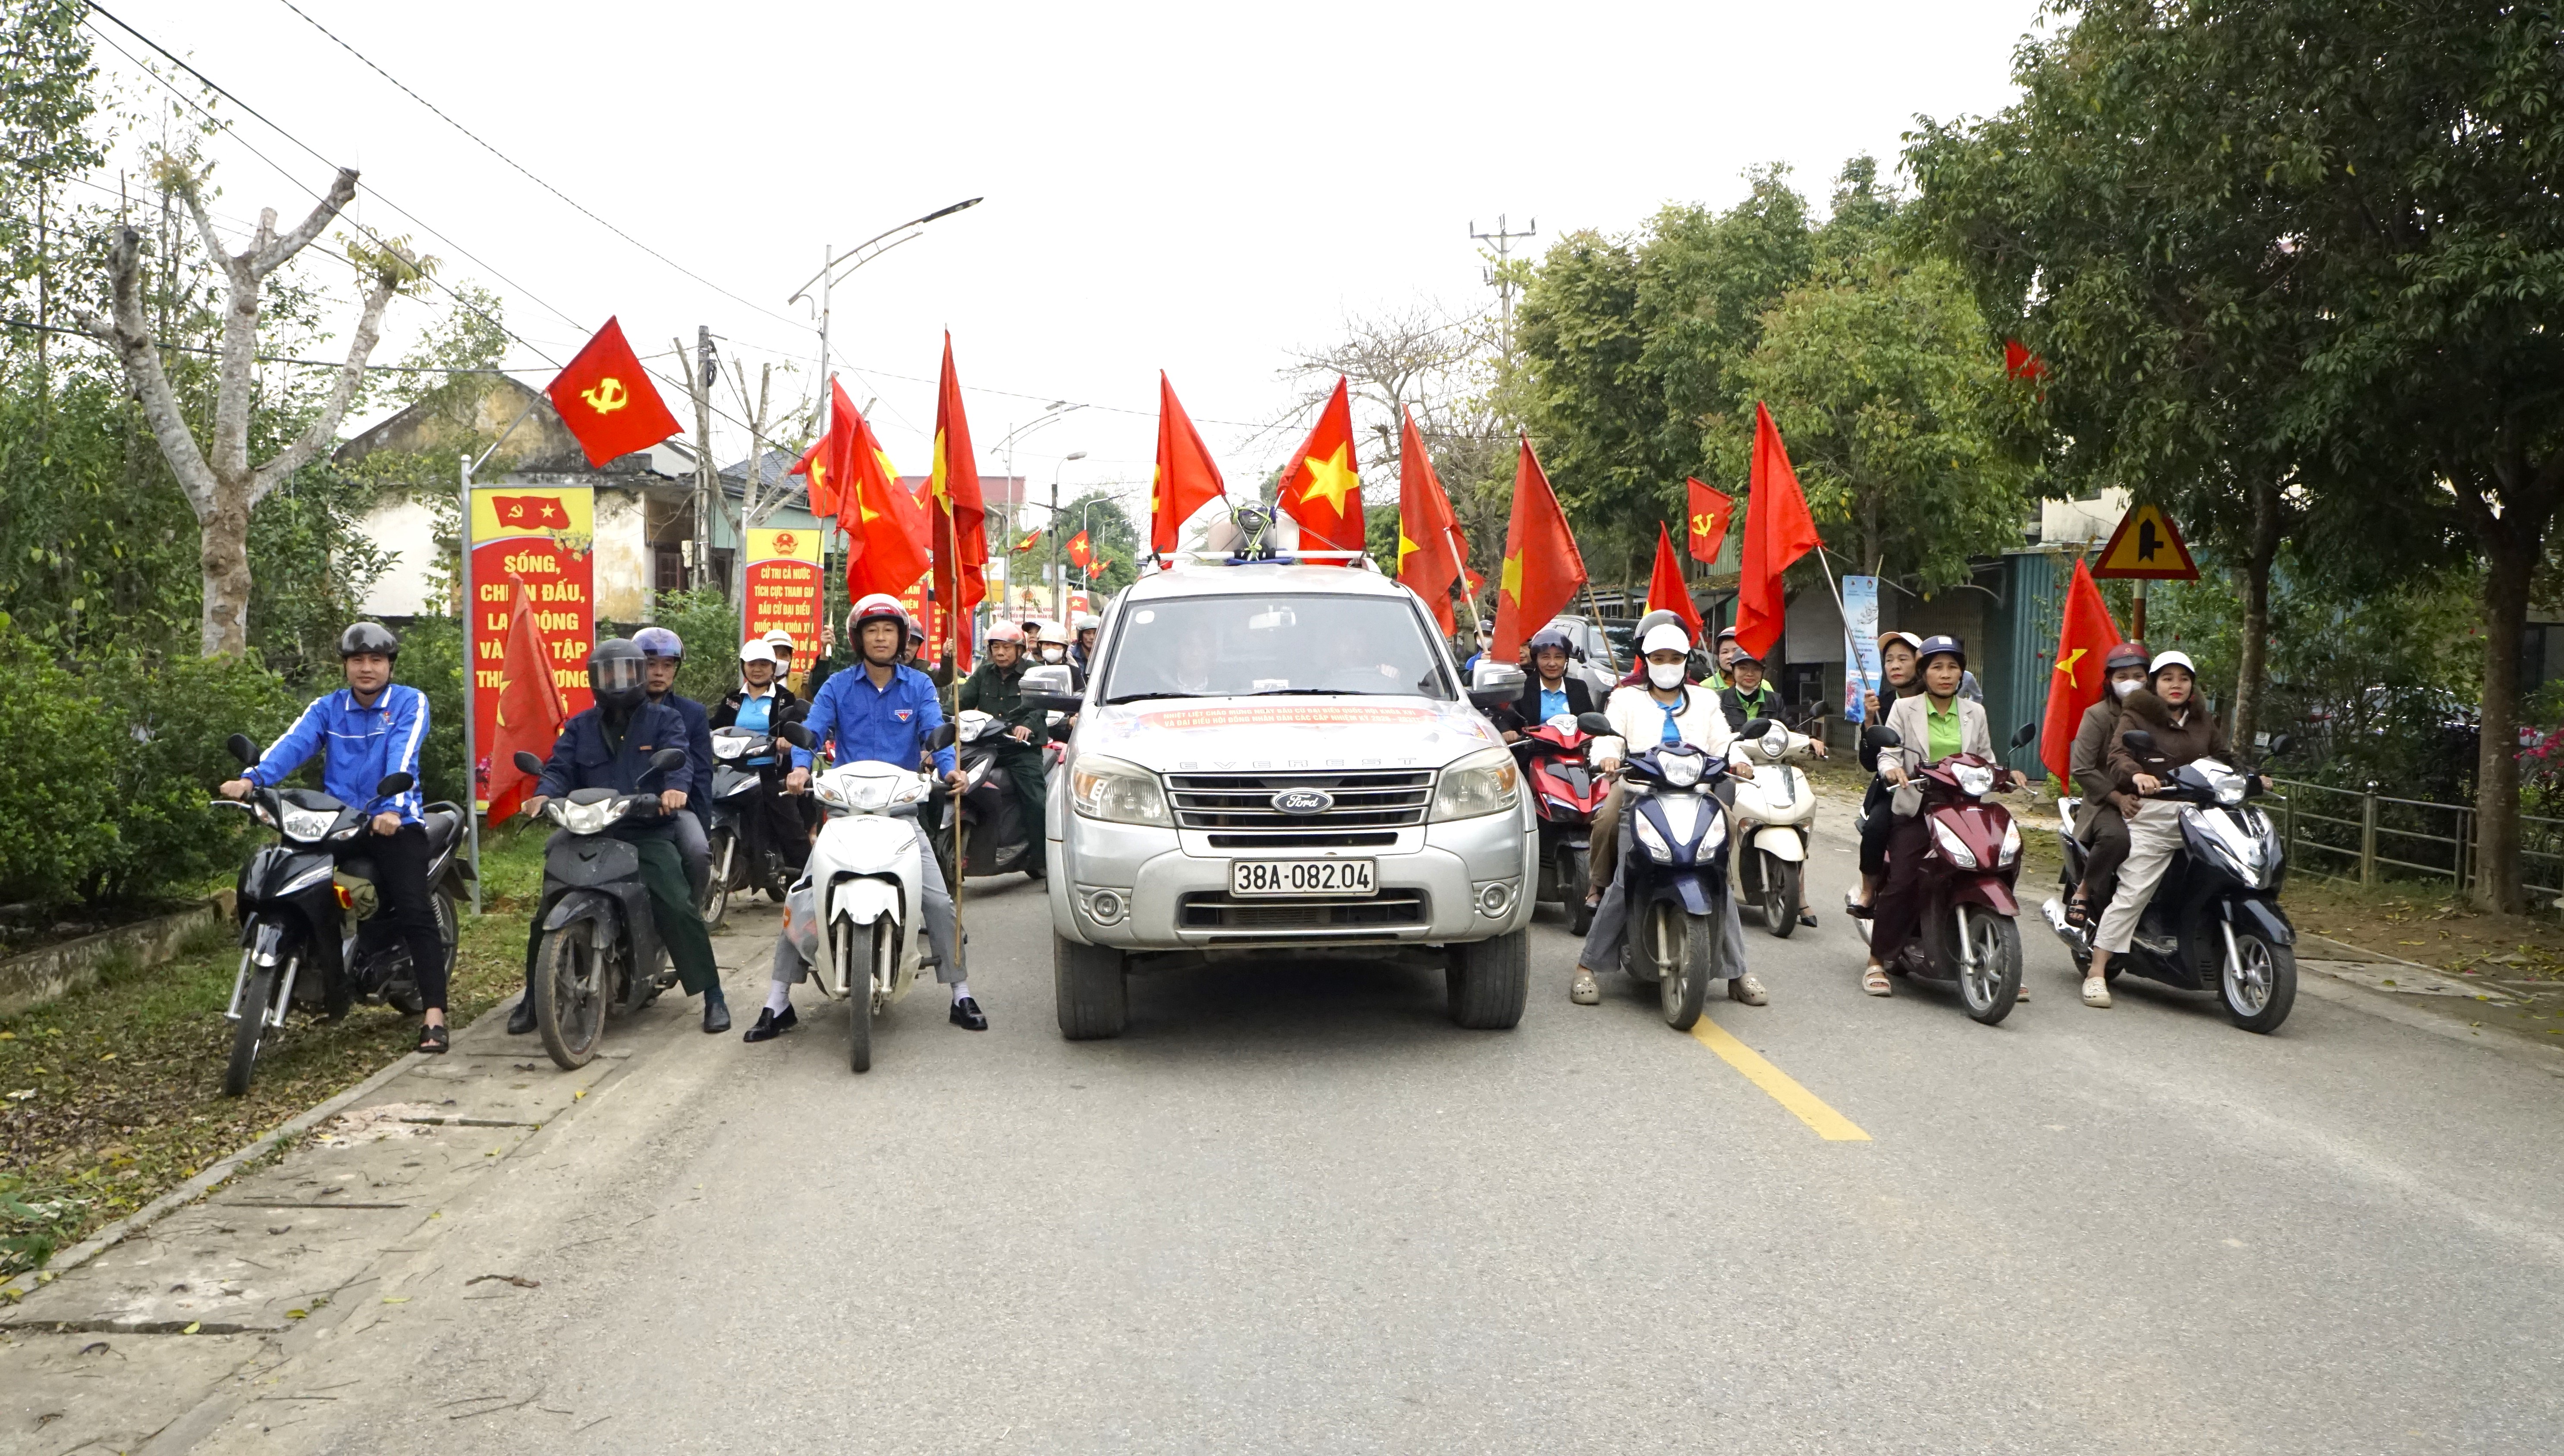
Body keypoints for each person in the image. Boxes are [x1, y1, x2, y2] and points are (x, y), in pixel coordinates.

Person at [756, 593, 985, 1037]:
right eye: (871, 631)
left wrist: (950, 769)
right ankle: (777, 1000)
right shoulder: (837, 685)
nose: (880, 638)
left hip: (901, 814)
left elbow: (934, 735)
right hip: (844, 814)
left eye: (889, 630)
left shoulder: (918, 686)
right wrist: (801, 769)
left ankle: (960, 992)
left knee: (939, 901)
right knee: (800, 898)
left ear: (901, 638)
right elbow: (812, 731)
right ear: (857, 639)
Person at [221, 624, 452, 1053]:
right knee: (293, 879)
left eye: (376, 660)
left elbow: (404, 754)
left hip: (394, 821)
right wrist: (251, 781)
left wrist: (390, 807)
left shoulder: (408, 702)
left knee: (416, 909)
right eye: (357, 660)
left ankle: (435, 1015)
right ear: (345, 665)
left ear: (389, 665)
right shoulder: (328, 708)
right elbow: (292, 745)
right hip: (337, 821)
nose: (367, 668)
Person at [515, 638, 730, 1034]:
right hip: (586, 832)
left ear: (638, 674)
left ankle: (712, 994)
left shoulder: (665, 721)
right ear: (595, 679)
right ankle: (534, 997)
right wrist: (543, 793)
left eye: (626, 672)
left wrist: (674, 789)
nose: (617, 681)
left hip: (643, 831)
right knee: (546, 906)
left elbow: (678, 759)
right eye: (607, 674)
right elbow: (559, 766)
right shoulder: (579, 726)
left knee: (676, 903)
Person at [1569, 621, 1765, 1008]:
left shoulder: (1705, 701)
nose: (1667, 665)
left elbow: (1725, 742)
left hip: (1696, 798)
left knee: (1718, 879)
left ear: (1686, 661)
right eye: (1659, 658)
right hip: (1641, 795)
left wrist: (1740, 761)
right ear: (1646, 661)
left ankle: (1738, 970)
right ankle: (1587, 966)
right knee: (1625, 877)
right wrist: (1607, 756)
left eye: (1675, 658)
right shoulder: (1626, 699)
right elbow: (1609, 736)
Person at [2085, 650, 2266, 1009]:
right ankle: (2096, 971)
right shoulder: (2137, 714)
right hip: (2156, 816)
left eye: (2183, 678)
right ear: (2155, 684)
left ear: (2192, 685)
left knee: (2234, 872)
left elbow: (2223, 755)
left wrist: (2252, 776)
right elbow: (2118, 755)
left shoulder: (2201, 717)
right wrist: (2136, 774)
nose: (2176, 685)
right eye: (2167, 678)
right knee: (2135, 889)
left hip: (2203, 814)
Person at [1858, 636, 2026, 998]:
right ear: (1924, 672)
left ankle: (2000, 955)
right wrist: (1891, 770)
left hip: (1966, 805)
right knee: (1904, 879)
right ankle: (1877, 960)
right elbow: (1888, 753)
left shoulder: (1974, 712)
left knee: (1997, 862)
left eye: (1953, 667)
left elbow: (1986, 757)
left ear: (1962, 672)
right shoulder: (1904, 709)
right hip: (1921, 806)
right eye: (1937, 667)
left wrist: (2006, 774)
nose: (1946, 675)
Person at [957, 621, 1057, 882]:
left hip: (1021, 749)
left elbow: (1040, 707)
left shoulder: (1034, 672)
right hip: (987, 744)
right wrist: (947, 718)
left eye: (1006, 648)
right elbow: (961, 703)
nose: (1001, 653)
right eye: (996, 648)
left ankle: (1042, 859)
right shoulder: (983, 673)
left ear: (1019, 649)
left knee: (1035, 799)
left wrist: (1027, 726)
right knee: (953, 785)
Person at [2062, 642, 2151, 930]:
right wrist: (2118, 798)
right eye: (2122, 677)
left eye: (2138, 676)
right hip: (2105, 803)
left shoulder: (2160, 717)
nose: (2131, 683)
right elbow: (2082, 768)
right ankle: (2085, 891)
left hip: (2157, 799)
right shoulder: (2098, 715)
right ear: (2109, 681)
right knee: (2117, 838)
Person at [634, 627, 715, 903]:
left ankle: (691, 911)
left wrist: (702, 827)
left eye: (667, 666)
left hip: (676, 808)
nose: (659, 673)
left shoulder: (693, 713)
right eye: (651, 665)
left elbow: (702, 774)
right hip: (623, 805)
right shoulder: (617, 709)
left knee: (698, 853)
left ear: (675, 670)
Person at [711, 638, 811, 860]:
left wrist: (786, 739)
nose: (757, 670)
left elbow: (794, 725)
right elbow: (716, 727)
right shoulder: (732, 699)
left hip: (769, 772)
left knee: (790, 827)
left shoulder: (785, 698)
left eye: (764, 664)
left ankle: (808, 879)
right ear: (743, 666)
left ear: (774, 668)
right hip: (733, 771)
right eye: (752, 664)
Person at [1848, 631, 1924, 916]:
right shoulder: (1881, 705)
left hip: (1939, 787)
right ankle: (1868, 891)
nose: (1895, 665)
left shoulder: (1938, 700)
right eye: (1889, 660)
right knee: (1876, 827)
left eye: (1903, 659)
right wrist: (1869, 722)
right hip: (1892, 792)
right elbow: (1870, 763)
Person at [1492, 625, 1596, 740]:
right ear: (1536, 659)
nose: (1552, 663)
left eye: (1558, 657)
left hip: (1573, 753)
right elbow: (1502, 718)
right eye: (1546, 657)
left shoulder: (1579, 688)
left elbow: (1593, 723)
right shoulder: (1522, 688)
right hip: (1533, 753)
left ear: (1566, 660)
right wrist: (1507, 731)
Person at [1718, 644, 1787, 733]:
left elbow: (1791, 730)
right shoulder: (1718, 700)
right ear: (1733, 670)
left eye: (1756, 669)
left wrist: (1809, 739)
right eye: (1743, 668)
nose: (1750, 674)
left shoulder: (1775, 701)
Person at [1069, 611, 1102, 675]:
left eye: (1096, 633)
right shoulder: (1070, 656)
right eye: (1088, 633)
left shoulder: (1108, 654)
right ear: (1081, 636)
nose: (1092, 637)